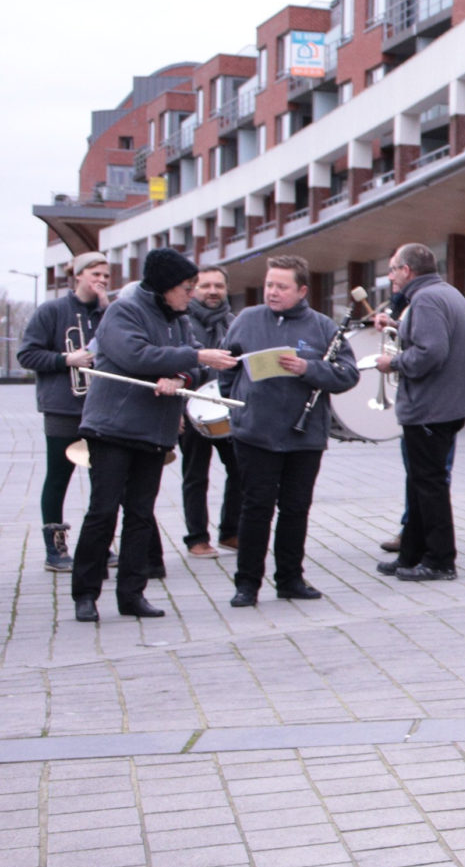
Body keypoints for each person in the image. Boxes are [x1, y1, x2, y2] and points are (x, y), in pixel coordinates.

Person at [71, 249, 238, 620]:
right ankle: (85, 594)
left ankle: (132, 594)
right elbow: (136, 356)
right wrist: (193, 359)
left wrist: (181, 377)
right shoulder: (123, 311)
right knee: (103, 511)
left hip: (154, 431)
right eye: (186, 287)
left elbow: (193, 365)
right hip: (112, 428)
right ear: (165, 286)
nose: (191, 294)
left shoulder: (179, 320)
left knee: (141, 515)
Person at [222, 256, 359, 606]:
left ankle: (290, 579)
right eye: (269, 284)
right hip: (255, 433)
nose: (272, 292)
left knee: (295, 509)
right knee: (255, 509)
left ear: (302, 291)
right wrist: (237, 405)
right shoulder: (247, 320)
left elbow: (348, 375)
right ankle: (247, 584)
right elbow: (226, 366)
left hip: (304, 436)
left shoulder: (323, 326)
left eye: (281, 287)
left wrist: (307, 368)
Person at [371, 244, 465, 583]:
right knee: (421, 483)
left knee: (429, 485)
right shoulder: (444, 293)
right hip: (443, 405)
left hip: (432, 407)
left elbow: (431, 352)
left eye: (393, 269)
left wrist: (393, 362)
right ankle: (412, 554)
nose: (390, 276)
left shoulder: (426, 300)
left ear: (407, 270)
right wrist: (397, 325)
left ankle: (440, 560)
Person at [19, 251, 113, 572]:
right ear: (78, 275)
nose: (101, 280)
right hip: (63, 408)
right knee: (59, 477)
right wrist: (66, 359)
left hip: (102, 407)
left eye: (105, 275)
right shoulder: (52, 310)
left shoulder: (109, 312)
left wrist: (108, 310)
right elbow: (27, 355)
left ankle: (100, 544)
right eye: (95, 274)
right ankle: (55, 549)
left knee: (105, 479)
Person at [178, 267, 242, 559]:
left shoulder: (234, 323)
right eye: (205, 286)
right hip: (191, 409)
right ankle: (197, 538)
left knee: (240, 470)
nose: (213, 291)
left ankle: (230, 532)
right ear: (193, 289)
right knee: (195, 476)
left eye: (219, 285)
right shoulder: (181, 322)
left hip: (227, 409)